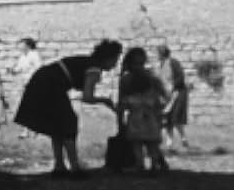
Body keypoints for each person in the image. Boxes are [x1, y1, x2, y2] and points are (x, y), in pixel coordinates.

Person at [13, 39, 123, 177]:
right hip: (50, 85)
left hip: (41, 80)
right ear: (107, 58)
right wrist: (106, 101)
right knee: (69, 124)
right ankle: (75, 168)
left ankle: (59, 167)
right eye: (115, 59)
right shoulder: (93, 69)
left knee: (57, 126)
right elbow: (87, 97)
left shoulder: (86, 61)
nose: (115, 64)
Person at [119, 47, 170, 174]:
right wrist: (159, 107)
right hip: (151, 117)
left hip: (135, 119)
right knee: (152, 144)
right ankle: (154, 166)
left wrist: (120, 120)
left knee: (137, 145)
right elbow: (166, 96)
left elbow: (122, 103)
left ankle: (140, 165)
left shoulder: (126, 81)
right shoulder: (152, 79)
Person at [156, 45, 190, 150]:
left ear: (162, 54)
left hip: (177, 93)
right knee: (167, 119)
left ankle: (183, 138)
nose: (157, 55)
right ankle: (169, 143)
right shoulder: (162, 65)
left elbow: (180, 77)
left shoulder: (173, 63)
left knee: (175, 118)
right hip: (167, 95)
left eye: (158, 53)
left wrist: (173, 86)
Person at [11, 37, 42, 138]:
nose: (19, 46)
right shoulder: (23, 56)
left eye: (21, 44)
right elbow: (19, 68)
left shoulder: (34, 55)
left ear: (27, 45)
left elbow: (39, 69)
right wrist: (13, 70)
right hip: (24, 83)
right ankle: (26, 131)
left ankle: (35, 130)